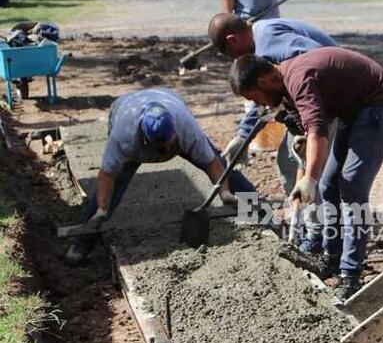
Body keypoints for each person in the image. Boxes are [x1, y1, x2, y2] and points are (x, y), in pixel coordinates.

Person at [229, 47, 383, 301]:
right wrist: (306, 169)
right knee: (328, 185)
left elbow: (318, 132)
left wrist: (308, 178)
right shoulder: (284, 89)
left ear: (264, 81)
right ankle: (330, 259)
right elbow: (306, 131)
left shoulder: (298, 79)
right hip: (353, 113)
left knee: (352, 185)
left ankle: (350, 275)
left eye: (257, 98)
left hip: (380, 107)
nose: (260, 104)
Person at [65, 88, 256, 265]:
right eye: (160, 147)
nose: (165, 151)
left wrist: (224, 192)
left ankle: (260, 213)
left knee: (223, 168)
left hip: (168, 99)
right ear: (145, 136)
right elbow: (107, 175)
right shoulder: (124, 137)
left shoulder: (185, 127)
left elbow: (211, 164)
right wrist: (102, 208)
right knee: (113, 187)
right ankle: (81, 243)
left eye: (168, 144)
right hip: (125, 106)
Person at [208, 12, 336, 253]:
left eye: (228, 53)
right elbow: (262, 95)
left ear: (233, 40)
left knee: (313, 171)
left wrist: (305, 126)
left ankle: (319, 236)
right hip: (309, 109)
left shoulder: (268, 43)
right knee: (289, 163)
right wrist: (243, 135)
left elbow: (314, 59)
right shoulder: (261, 37)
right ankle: (307, 228)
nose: (234, 59)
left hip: (329, 103)